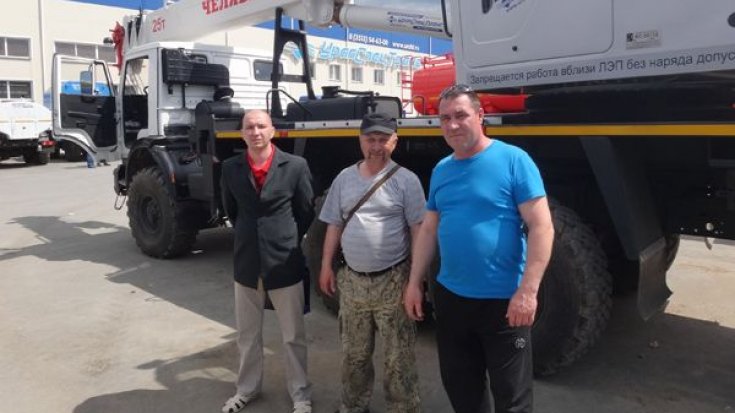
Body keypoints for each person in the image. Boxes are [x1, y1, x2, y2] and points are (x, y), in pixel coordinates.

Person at [403, 85, 554, 413]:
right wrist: (415, 282)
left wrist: (528, 292)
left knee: (512, 398)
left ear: (480, 115)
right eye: (445, 118)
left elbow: (542, 226)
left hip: (503, 304)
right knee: (462, 391)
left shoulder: (513, 160)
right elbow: (429, 228)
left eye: (461, 115)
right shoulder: (442, 169)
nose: (453, 124)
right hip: (451, 300)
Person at [318, 112, 426, 413]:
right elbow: (334, 224)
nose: (376, 146)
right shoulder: (344, 178)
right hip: (352, 281)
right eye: (370, 139)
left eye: (383, 140)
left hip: (393, 280)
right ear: (360, 141)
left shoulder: (406, 181)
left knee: (398, 357)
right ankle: (353, 405)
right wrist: (326, 265)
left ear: (395, 142)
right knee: (354, 354)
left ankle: (403, 408)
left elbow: (419, 231)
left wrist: (415, 281)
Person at [220, 109, 315, 413]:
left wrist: (283, 237)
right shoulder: (230, 168)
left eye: (261, 126)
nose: (256, 132)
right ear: (242, 133)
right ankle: (246, 389)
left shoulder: (295, 166)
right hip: (247, 262)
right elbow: (232, 211)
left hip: (284, 261)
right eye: (249, 127)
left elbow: (305, 211)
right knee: (247, 335)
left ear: (272, 131)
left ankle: (300, 394)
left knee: (293, 335)